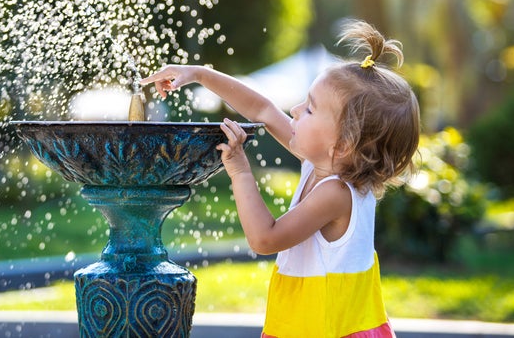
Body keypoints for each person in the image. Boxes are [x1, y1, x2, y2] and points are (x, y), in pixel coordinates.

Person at [140, 20, 420, 338]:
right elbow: (262, 109)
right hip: (303, 326)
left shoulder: (337, 193)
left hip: (329, 331)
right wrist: (200, 74)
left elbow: (265, 239)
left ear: (342, 145)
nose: (297, 110)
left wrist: (240, 170)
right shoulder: (323, 163)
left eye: (311, 109)